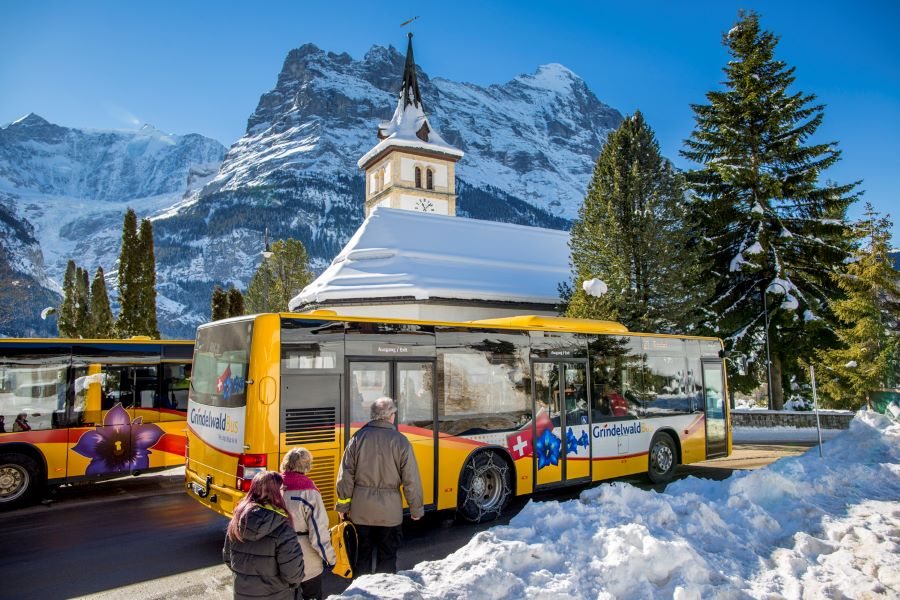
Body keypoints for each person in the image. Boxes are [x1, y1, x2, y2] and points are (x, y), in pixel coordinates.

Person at [335, 396, 424, 575]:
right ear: (390, 416)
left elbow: (346, 476)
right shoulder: (401, 441)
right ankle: (384, 587)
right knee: (388, 557)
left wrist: (343, 505)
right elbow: (411, 480)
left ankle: (361, 588)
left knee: (362, 556)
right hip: (390, 514)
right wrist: (416, 509)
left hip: (361, 512)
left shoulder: (357, 438)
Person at [223, 471, 304, 600]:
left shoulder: (237, 521)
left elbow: (228, 558)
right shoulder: (283, 528)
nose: (284, 492)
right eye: (282, 489)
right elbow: (293, 574)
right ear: (275, 493)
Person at [281, 447, 336, 600]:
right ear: (306, 465)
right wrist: (330, 558)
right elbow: (318, 532)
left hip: (280, 558)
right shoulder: (309, 491)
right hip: (306, 559)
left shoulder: (274, 487)